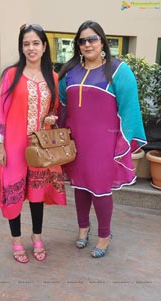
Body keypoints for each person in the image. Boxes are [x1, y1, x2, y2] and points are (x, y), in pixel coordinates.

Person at [58, 20, 147, 258]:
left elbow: (129, 110)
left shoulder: (119, 71)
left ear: (102, 41)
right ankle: (83, 228)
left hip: (103, 144)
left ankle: (104, 236)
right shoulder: (69, 71)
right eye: (83, 40)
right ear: (78, 45)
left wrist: (123, 143)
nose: (88, 44)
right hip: (76, 141)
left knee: (100, 190)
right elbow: (63, 106)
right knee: (79, 186)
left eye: (93, 39)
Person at [0, 23, 66, 263]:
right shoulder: (11, 75)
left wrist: (51, 118)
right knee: (13, 193)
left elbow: (53, 108)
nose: (31, 48)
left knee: (36, 194)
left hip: (40, 148)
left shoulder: (52, 77)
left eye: (35, 43)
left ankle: (37, 238)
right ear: (21, 48)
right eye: (26, 44)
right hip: (14, 145)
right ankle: (16, 241)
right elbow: (1, 112)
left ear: (44, 47)